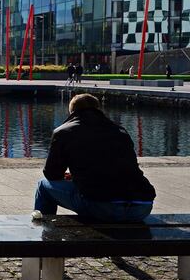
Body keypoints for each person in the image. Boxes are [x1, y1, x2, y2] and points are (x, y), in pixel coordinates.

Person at [33, 94, 156, 222]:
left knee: (43, 186)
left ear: (72, 111)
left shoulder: (63, 132)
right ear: (98, 109)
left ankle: (44, 229)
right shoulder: (120, 130)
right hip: (142, 206)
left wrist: (75, 176)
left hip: (102, 206)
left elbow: (52, 174)